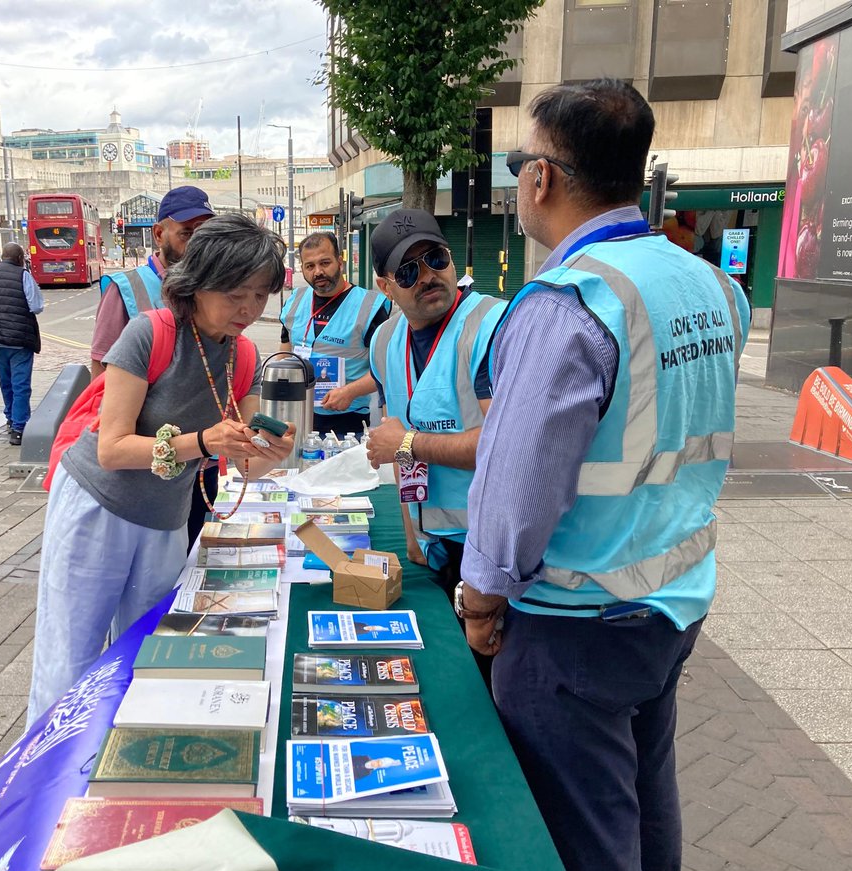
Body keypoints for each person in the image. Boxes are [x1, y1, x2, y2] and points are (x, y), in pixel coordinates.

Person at [456, 80, 751, 871]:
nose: (518, 179)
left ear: (543, 178)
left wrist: (481, 601)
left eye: (519, 162)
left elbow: (516, 489)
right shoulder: (709, 284)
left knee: (584, 844)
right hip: (669, 603)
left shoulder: (568, 302)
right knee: (648, 809)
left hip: (572, 625)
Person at [27, 215, 296, 727]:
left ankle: (112, 766)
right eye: (235, 292)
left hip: (165, 519)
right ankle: (49, 788)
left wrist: (272, 451)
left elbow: (246, 459)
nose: (249, 309)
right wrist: (203, 442)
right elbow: (112, 448)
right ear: (196, 284)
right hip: (97, 505)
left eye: (261, 294)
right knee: (70, 660)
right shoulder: (151, 333)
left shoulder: (242, 354)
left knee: (144, 652)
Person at [363, 208, 506, 687]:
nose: (428, 276)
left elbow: (505, 444)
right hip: (435, 542)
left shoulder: (489, 325)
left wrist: (405, 442)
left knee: (489, 686)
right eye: (409, 270)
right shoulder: (385, 340)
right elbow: (400, 435)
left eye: (436, 258)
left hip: (492, 548)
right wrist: (410, 526)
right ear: (386, 287)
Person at [92, 186, 217, 544]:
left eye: (204, 234)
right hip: (142, 463)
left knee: (192, 547)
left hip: (200, 457)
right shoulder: (127, 287)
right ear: (160, 234)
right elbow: (101, 371)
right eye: (187, 233)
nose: (197, 243)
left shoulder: (210, 288)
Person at [279, 232, 390, 438]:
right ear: (302, 269)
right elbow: (284, 354)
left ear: (340, 262)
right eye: (310, 266)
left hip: (348, 423)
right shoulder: (295, 301)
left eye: (325, 262)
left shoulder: (370, 307)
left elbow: (387, 370)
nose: (318, 272)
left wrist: (350, 392)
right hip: (297, 417)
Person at [0, 243, 45, 446]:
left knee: (7, 382)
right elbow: (36, 306)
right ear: (21, 258)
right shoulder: (23, 275)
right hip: (19, 338)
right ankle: (19, 429)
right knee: (21, 384)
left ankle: (11, 418)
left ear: (2, 257)